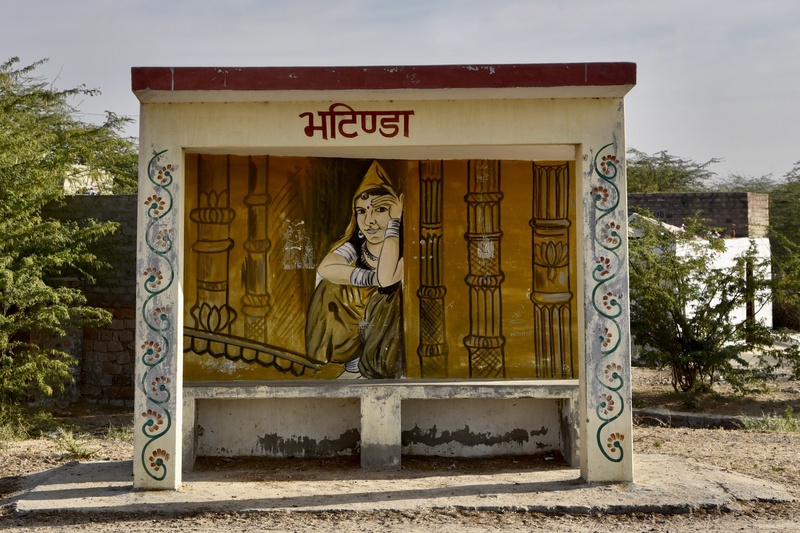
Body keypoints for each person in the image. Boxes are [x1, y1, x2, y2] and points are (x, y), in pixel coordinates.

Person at [305, 161, 404, 378]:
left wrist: (394, 224)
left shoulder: (404, 249)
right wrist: (368, 278)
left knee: (385, 298)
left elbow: (386, 280)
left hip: (383, 324)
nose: (369, 221)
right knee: (330, 286)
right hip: (355, 317)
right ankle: (351, 363)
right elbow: (326, 267)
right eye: (361, 211)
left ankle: (372, 370)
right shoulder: (356, 246)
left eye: (380, 209)